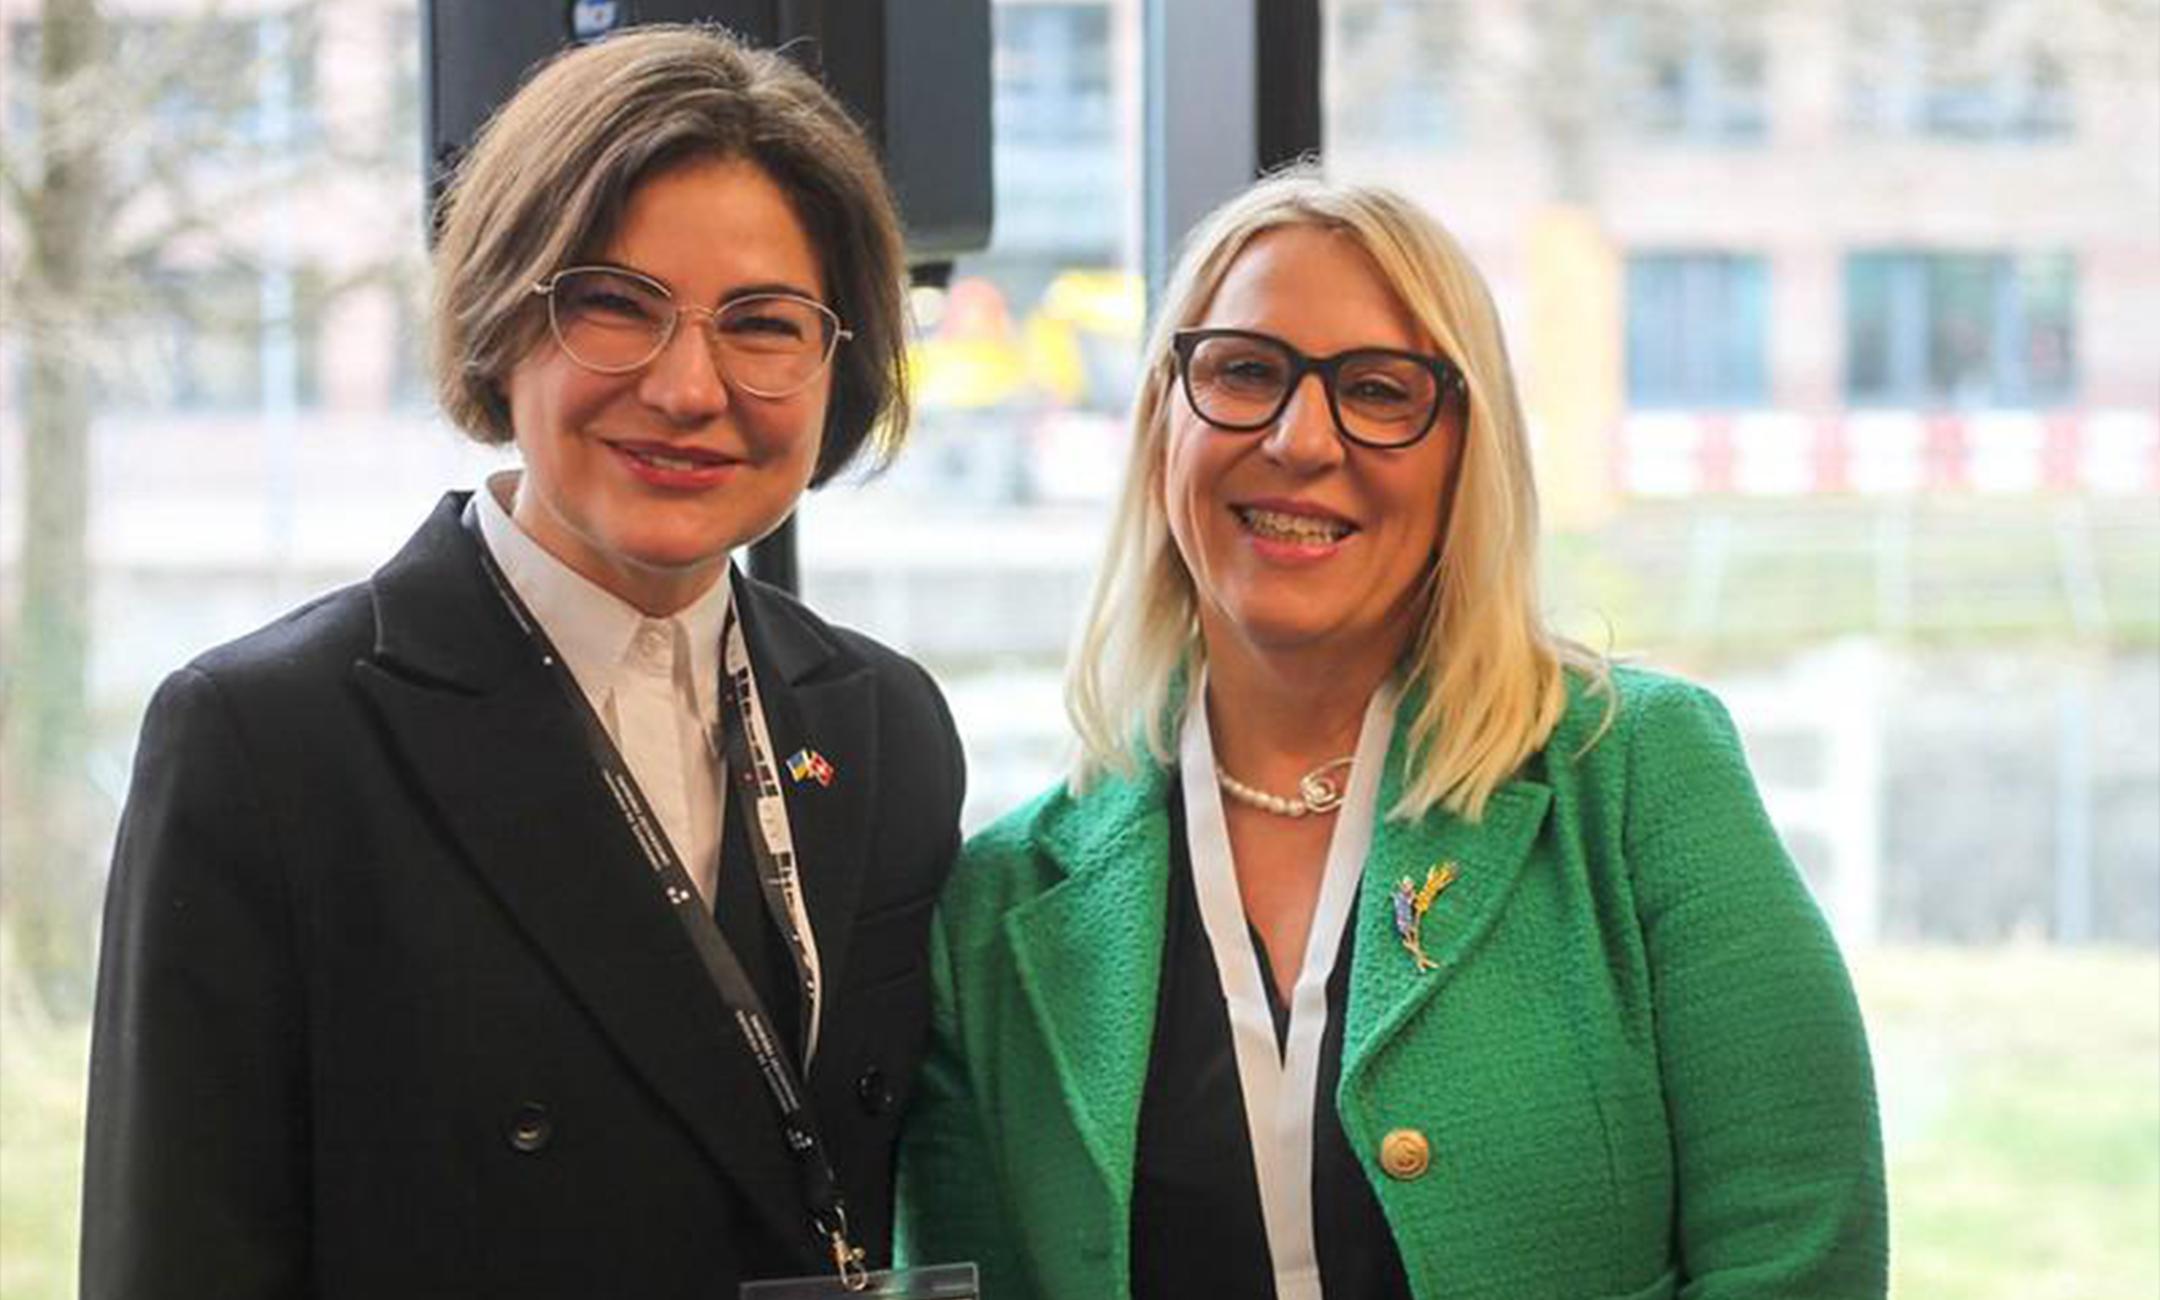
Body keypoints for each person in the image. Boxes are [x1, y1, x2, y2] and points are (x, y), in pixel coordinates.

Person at [81, 25, 964, 1299]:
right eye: (614, 304)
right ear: (500, 320)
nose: (688, 387)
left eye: (764, 323)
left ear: (842, 365)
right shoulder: (268, 741)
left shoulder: (887, 724)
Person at [896, 171, 1885, 1300]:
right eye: (1244, 372)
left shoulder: (1638, 776)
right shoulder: (998, 907)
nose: (1299, 438)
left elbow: (1802, 1258)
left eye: (1376, 390)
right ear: (1162, 420)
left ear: (1469, 450)